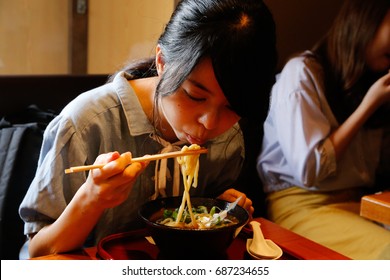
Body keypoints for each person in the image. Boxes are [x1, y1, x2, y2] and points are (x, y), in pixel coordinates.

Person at [19, 0, 277, 258]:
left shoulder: (228, 139)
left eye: (232, 108)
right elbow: (38, 251)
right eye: (195, 96)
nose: (210, 123)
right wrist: (92, 197)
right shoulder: (87, 123)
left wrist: (221, 211)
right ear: (162, 61)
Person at [257, 0, 390, 260]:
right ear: (365, 22)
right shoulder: (302, 74)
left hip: (361, 204)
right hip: (302, 207)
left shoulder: (368, 81)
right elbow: (309, 172)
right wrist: (369, 106)